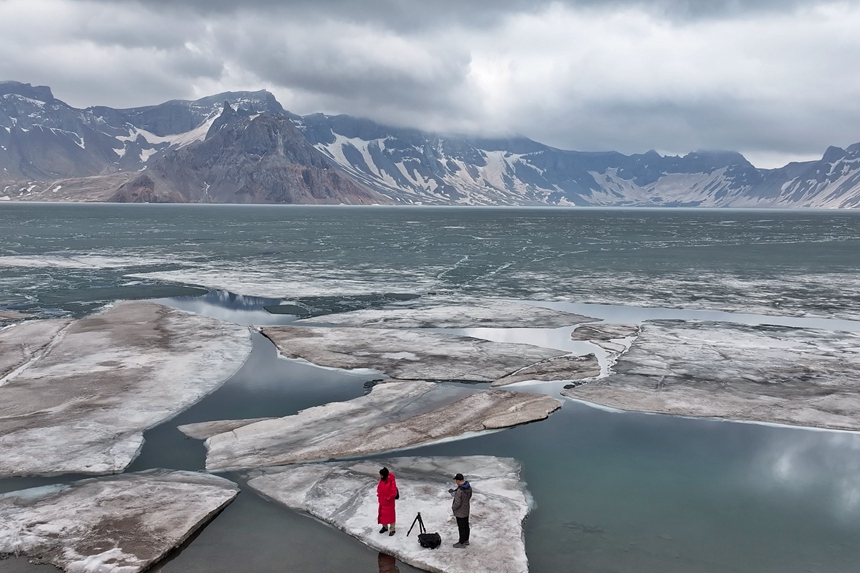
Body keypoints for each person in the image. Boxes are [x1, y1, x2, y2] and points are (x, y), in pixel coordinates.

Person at [449, 472, 472, 548]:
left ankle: (461, 542)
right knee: (466, 525)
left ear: (458, 480)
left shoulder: (460, 490)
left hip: (460, 512)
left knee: (461, 527)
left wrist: (453, 507)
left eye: (456, 480)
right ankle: (466, 540)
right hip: (466, 510)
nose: (456, 482)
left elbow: (458, 503)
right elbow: (469, 496)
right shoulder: (468, 487)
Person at [377, 467, 397, 536]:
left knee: (390, 515)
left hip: (389, 502)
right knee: (382, 515)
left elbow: (394, 492)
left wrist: (388, 498)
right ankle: (385, 527)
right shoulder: (382, 480)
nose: (380, 476)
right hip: (382, 501)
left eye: (381, 475)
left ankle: (392, 529)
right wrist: (379, 494)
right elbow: (379, 487)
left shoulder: (391, 481)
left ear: (385, 475)